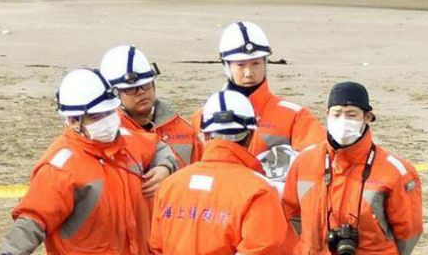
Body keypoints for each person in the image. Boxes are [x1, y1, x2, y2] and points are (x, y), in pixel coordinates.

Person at [0, 67, 179, 255]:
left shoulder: (128, 140)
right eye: (96, 116)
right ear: (74, 121)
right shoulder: (60, 168)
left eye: (110, 112)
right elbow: (33, 220)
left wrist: (164, 167)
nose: (108, 120)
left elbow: (158, 147)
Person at [282, 82, 423, 255]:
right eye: (337, 114)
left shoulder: (396, 171)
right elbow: (291, 212)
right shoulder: (304, 161)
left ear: (367, 117)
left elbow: (408, 232)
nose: (343, 121)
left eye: (351, 115)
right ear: (327, 115)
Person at [149, 90, 293, 255]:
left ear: (205, 135)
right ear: (251, 134)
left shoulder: (170, 185)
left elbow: (157, 245)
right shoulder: (258, 191)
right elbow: (264, 248)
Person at [191, 21, 324, 187]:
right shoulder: (202, 116)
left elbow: (318, 163)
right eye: (240, 65)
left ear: (265, 63)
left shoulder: (295, 116)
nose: (249, 73)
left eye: (256, 63)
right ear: (226, 66)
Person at [101, 44, 200, 169]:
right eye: (131, 89)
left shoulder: (183, 129)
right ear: (114, 94)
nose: (141, 92)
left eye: (146, 84)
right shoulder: (107, 136)